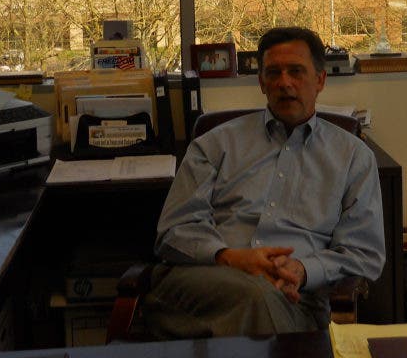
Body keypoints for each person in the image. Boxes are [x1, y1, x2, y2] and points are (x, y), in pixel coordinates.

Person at [143, 26, 385, 338]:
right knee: (258, 298)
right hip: (206, 282)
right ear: (261, 82)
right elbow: (175, 230)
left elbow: (363, 252)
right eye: (273, 73)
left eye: (296, 71)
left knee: (263, 302)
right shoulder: (214, 145)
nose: (284, 83)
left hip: (297, 295)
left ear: (320, 80)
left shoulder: (353, 157)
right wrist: (231, 258)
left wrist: (303, 270)